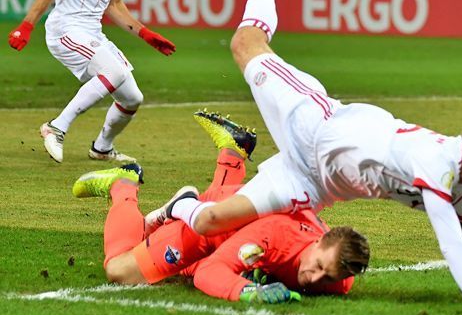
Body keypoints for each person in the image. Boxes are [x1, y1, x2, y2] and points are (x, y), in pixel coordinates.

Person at [161, 0, 462, 315]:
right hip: (314, 124)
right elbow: (450, 243)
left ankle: (180, 206)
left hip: (313, 183)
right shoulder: (436, 160)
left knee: (210, 221)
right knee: (245, 44)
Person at [72, 110, 370, 303]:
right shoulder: (275, 238)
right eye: (318, 266)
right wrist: (249, 292)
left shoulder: (338, 278)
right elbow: (211, 273)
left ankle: (233, 151)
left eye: (328, 276)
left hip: (240, 206)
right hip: (211, 224)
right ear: (318, 240)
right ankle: (124, 185)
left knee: (184, 269)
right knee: (121, 271)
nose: (314, 279)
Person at [7, 0, 176, 164]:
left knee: (132, 98)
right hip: (66, 29)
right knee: (115, 72)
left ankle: (102, 148)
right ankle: (57, 126)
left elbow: (115, 5)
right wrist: (26, 26)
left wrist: (145, 34)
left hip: (91, 32)